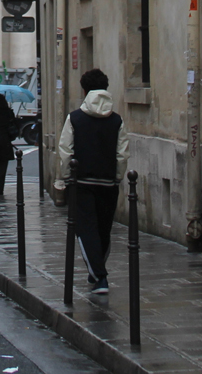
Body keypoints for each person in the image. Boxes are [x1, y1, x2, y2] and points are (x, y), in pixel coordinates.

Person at [56, 69, 127, 294]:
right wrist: (117, 177)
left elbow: (65, 150)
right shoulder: (117, 120)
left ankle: (100, 275)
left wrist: (66, 178)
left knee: (86, 229)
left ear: (85, 90)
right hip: (107, 182)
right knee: (104, 229)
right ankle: (97, 269)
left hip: (83, 182)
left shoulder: (75, 118)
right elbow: (122, 154)